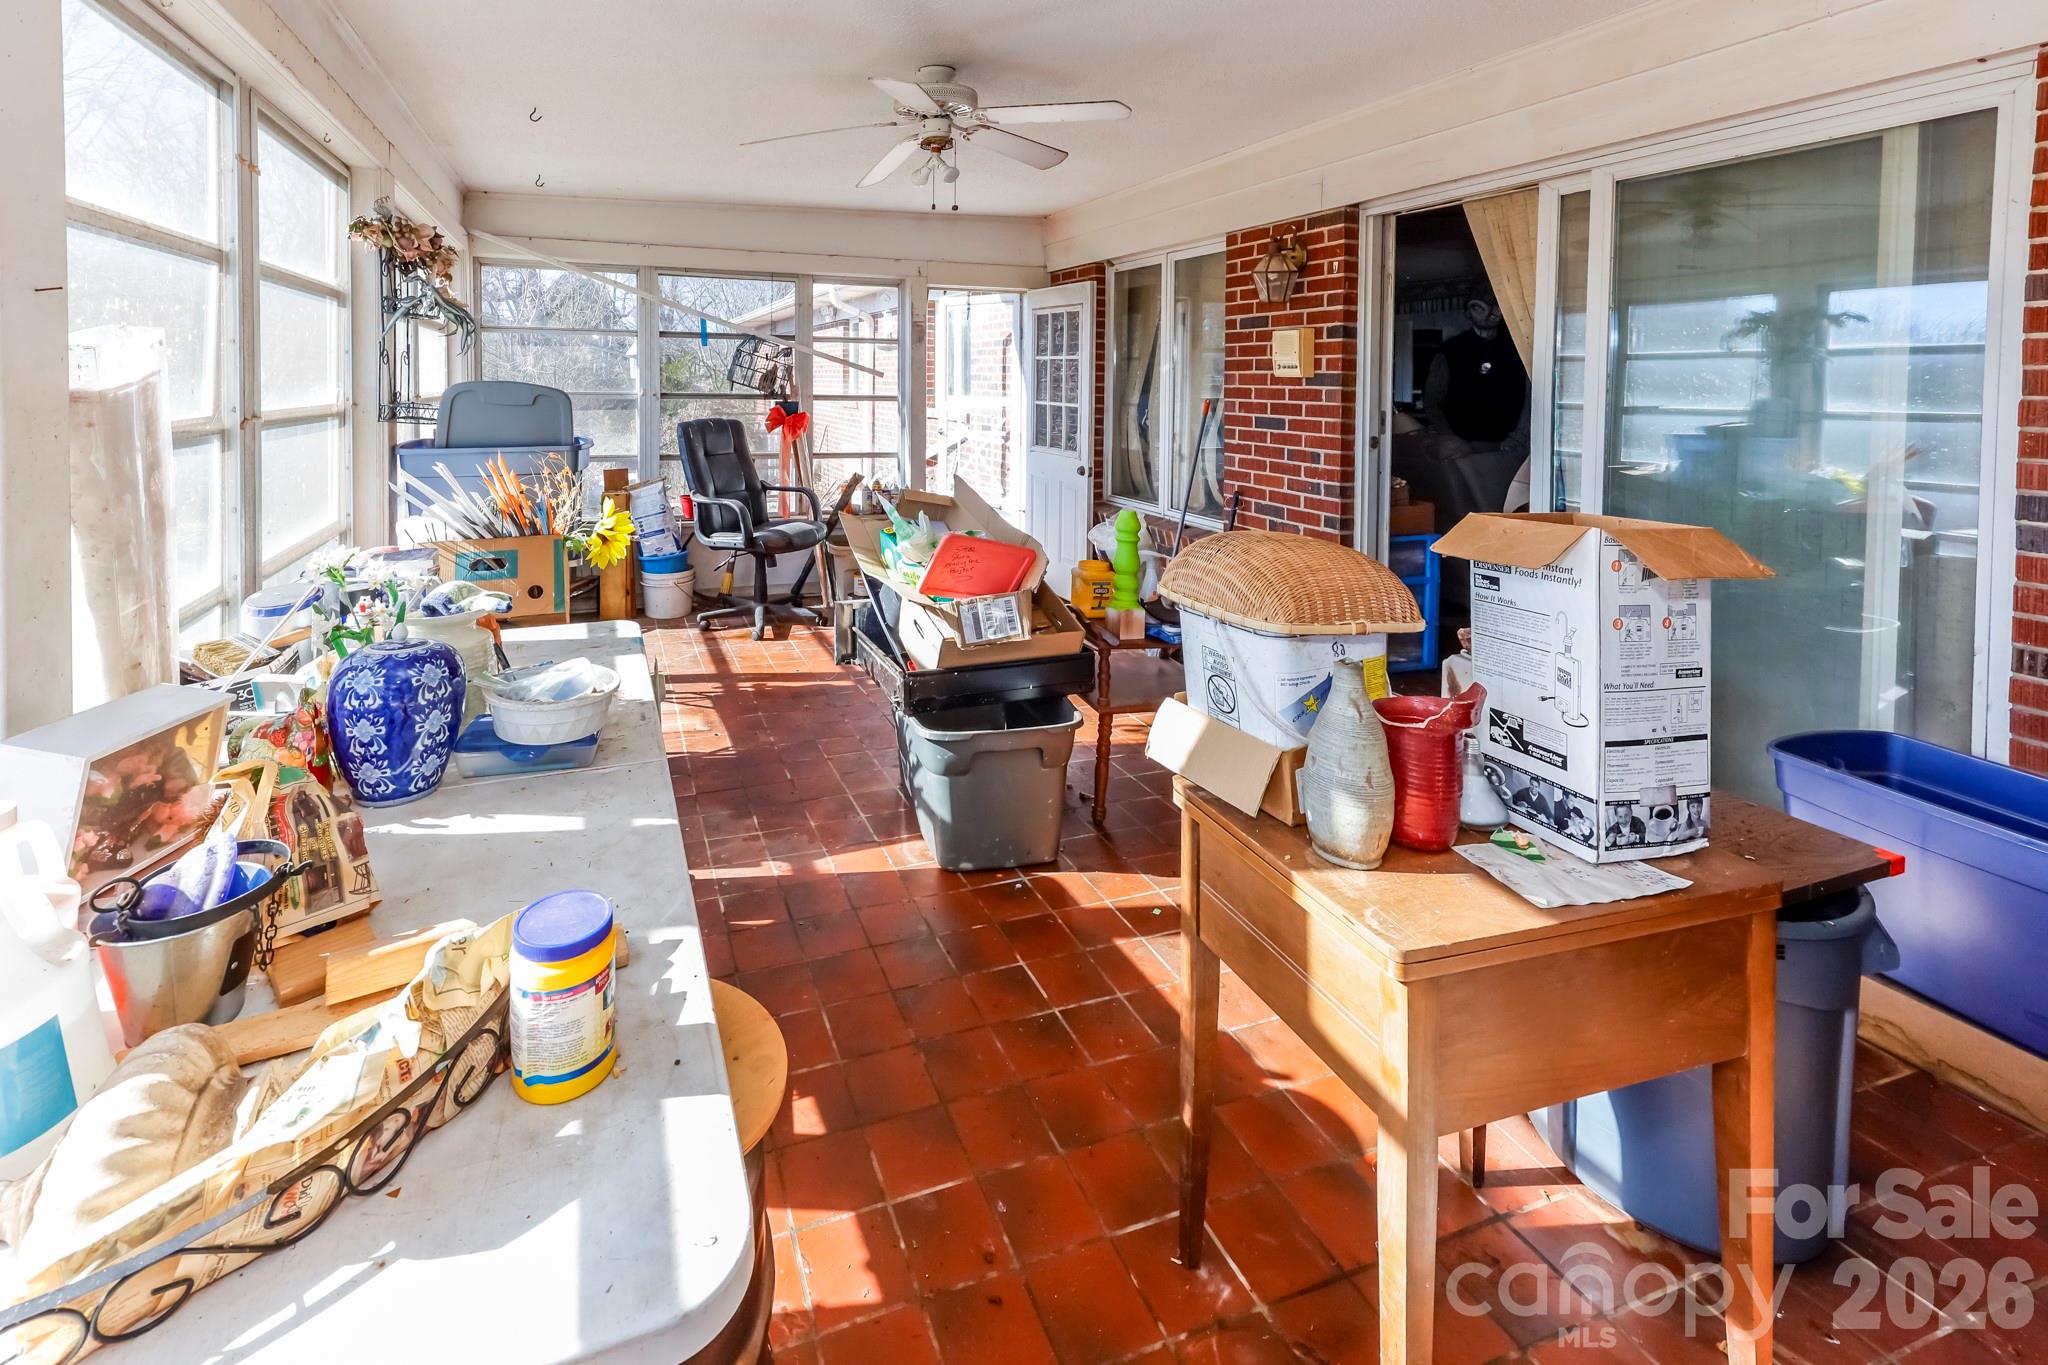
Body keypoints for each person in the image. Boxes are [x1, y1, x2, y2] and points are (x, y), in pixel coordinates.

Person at [1423, 293, 1530, 463]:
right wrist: (1451, 440)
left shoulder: (1519, 347)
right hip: (1464, 448)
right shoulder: (1451, 350)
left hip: (1507, 446)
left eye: (1495, 305)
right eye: (1478, 307)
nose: (1489, 312)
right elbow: (1432, 400)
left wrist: (1518, 438)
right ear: (1468, 313)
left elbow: (1533, 398)